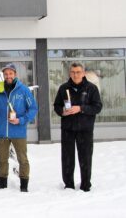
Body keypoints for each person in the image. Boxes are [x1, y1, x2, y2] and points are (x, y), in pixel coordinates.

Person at [0, 63, 38, 192]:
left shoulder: (23, 90)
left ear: (15, 74)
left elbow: (33, 108)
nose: (8, 76)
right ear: (3, 75)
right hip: (2, 132)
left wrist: (21, 120)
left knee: (23, 159)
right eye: (6, 74)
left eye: (10, 73)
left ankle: (24, 186)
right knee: (3, 160)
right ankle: (3, 185)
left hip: (18, 131)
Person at [53, 62, 102, 192]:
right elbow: (56, 106)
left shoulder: (91, 88)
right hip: (68, 129)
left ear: (83, 73)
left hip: (85, 129)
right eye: (73, 72)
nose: (75, 75)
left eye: (78, 72)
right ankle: (68, 185)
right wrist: (62, 111)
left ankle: (86, 185)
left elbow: (97, 107)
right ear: (70, 73)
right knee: (67, 158)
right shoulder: (64, 88)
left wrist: (80, 108)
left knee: (85, 157)